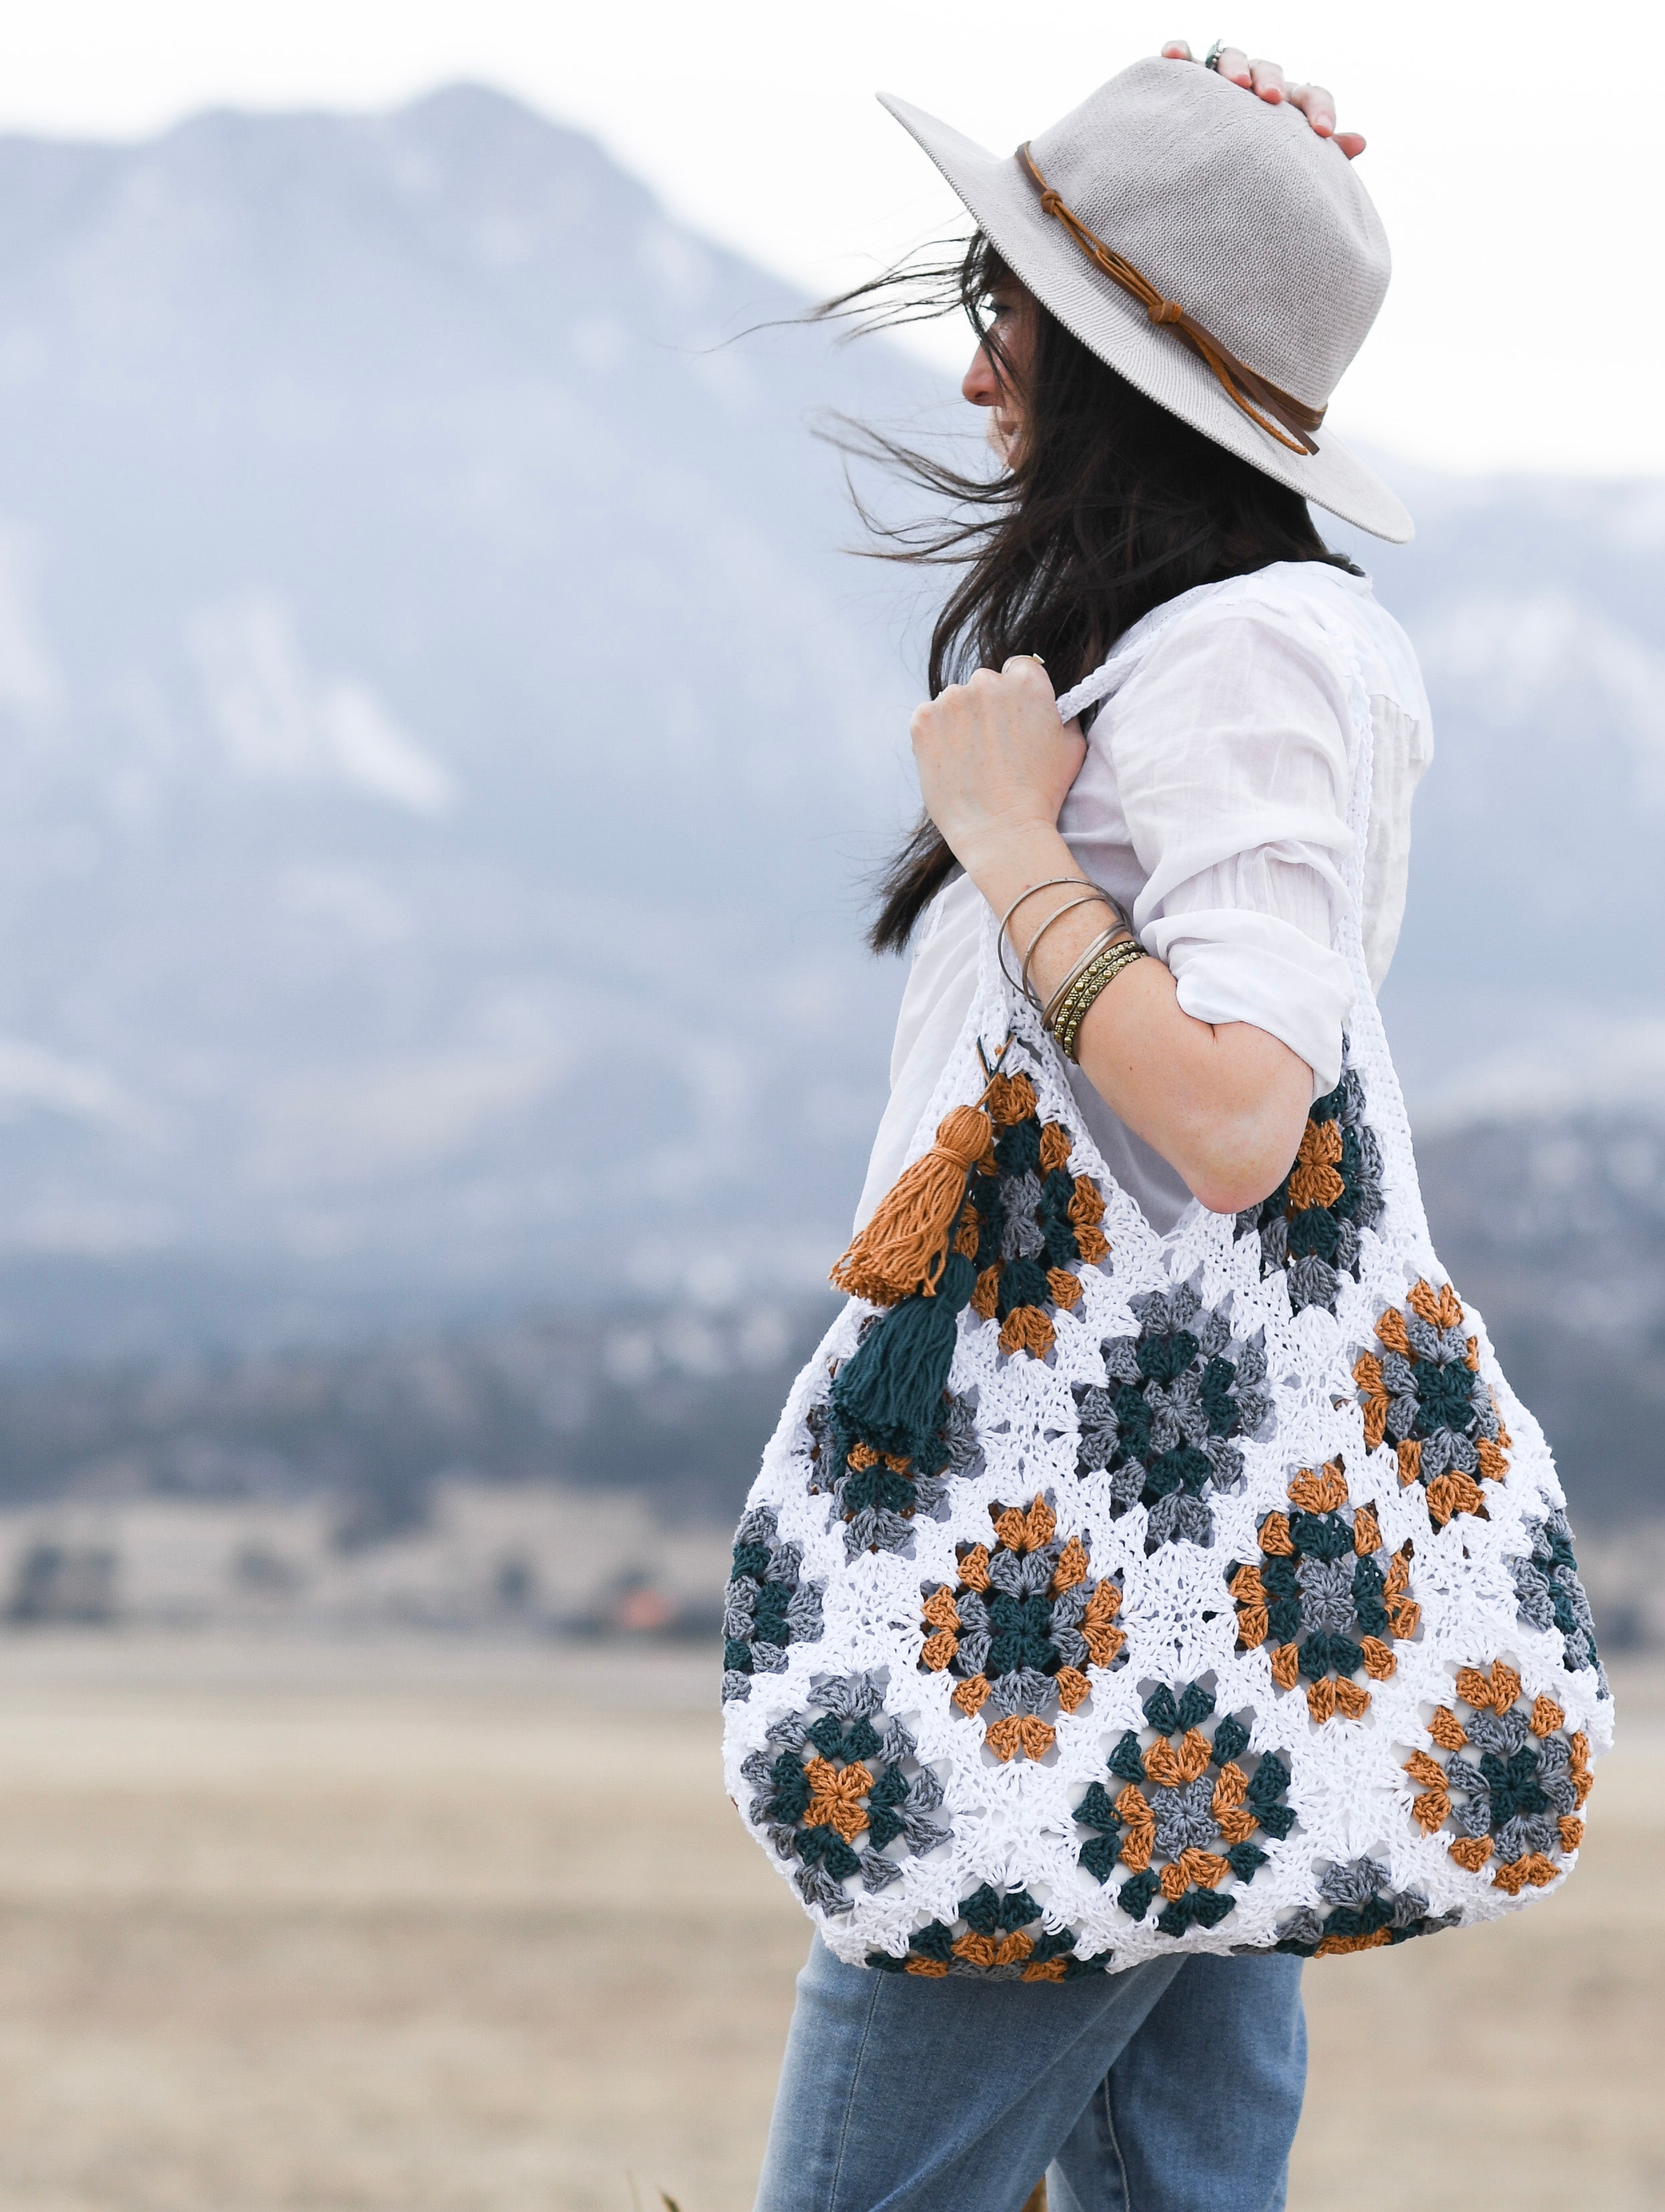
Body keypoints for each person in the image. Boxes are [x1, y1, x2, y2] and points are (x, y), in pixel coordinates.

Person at [750, 40, 1431, 2212]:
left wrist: (1002, 833)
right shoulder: (1226, 647)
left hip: (1086, 1624)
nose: (979, 378)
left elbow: (1237, 1112)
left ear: (1120, 367)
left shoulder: (1250, 656)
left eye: (1007, 314)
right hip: (1176, 1586)